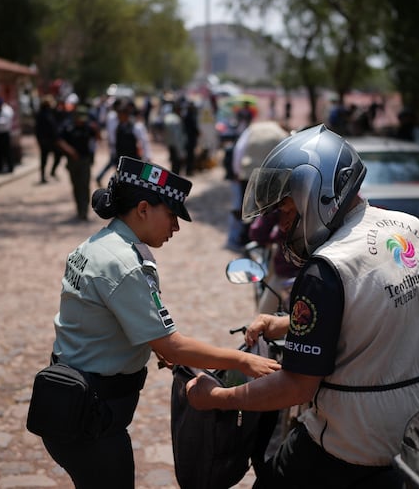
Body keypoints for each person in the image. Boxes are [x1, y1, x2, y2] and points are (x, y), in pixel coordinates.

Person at [187, 124, 419, 488]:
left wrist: (218, 398)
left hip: (365, 438)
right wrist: (286, 324)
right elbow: (375, 310)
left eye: (286, 208)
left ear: (317, 191)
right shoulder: (410, 227)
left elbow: (297, 387)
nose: (282, 222)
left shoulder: (326, 268)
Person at [37, 156, 279, 489]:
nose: (176, 228)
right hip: (91, 419)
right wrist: (243, 359)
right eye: (171, 215)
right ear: (143, 209)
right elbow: (172, 345)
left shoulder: (98, 245)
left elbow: (101, 318)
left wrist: (151, 344)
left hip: (70, 403)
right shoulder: (125, 264)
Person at [226, 120, 288, 252]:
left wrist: (237, 171)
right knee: (264, 209)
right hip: (269, 175)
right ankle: (258, 239)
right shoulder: (280, 133)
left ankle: (245, 238)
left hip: (247, 173)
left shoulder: (251, 130)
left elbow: (239, 150)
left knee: (247, 208)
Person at [57, 105, 100, 221]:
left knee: (85, 185)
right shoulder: (68, 126)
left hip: (85, 160)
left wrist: (96, 130)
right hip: (72, 161)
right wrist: (71, 151)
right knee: (76, 185)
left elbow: (98, 139)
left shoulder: (88, 127)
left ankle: (84, 210)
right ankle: (79, 208)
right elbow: (59, 141)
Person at [35, 95, 59, 184]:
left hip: (48, 140)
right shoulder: (43, 114)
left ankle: (50, 173)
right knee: (45, 158)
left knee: (56, 156)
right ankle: (43, 176)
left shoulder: (50, 113)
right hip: (46, 140)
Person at [0, 97, 14, 173]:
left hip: (5, 133)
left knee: (7, 151)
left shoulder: (7, 110)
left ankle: (10, 167)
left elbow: (5, 121)